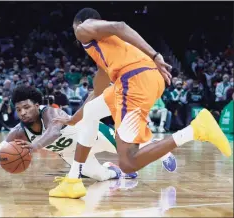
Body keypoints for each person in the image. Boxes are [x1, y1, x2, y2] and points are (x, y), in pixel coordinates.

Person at [47, 8, 231, 199]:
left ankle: (195, 130)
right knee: (92, 111)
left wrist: (155, 55)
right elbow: (97, 93)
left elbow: (119, 26)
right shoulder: (104, 55)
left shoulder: (83, 28)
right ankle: (73, 180)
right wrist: (72, 120)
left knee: (127, 163)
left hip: (134, 79)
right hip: (142, 78)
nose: (76, 36)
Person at [0, 85, 140, 188]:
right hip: (74, 154)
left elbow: (53, 132)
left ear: (37, 106)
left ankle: (157, 146)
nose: (22, 112)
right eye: (18, 109)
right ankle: (114, 171)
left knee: (133, 154)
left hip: (94, 135)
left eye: (27, 107)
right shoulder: (18, 132)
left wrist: (35, 145)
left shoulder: (50, 113)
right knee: (101, 177)